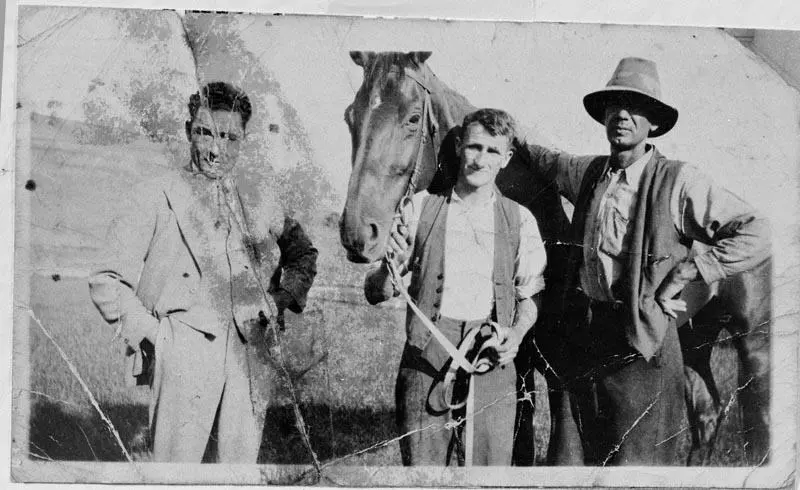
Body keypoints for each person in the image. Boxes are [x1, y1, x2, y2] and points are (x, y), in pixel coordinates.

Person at [523, 57, 771, 465]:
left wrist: (692, 269)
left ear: (653, 123)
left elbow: (756, 229)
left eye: (634, 107)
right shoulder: (587, 173)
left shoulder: (678, 179)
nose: (621, 115)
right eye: (613, 106)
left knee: (636, 466)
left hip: (643, 344)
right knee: (573, 461)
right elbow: (548, 160)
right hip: (585, 341)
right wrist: (510, 134)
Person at [88, 81, 318, 463]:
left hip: (249, 359)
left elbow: (303, 253)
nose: (216, 149)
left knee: (237, 475)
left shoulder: (261, 200)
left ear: (243, 140)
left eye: (230, 137)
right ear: (187, 132)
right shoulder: (157, 193)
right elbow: (106, 278)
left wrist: (279, 301)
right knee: (176, 476)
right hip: (183, 355)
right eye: (205, 133)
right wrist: (156, 337)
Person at [364, 108, 547, 466]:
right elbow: (376, 291)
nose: (480, 160)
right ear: (460, 146)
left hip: (490, 360)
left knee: (488, 479)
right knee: (423, 478)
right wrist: (389, 267)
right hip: (426, 357)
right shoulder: (419, 209)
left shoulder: (520, 220)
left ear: (506, 158)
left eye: (493, 151)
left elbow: (531, 292)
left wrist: (518, 332)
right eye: (474, 147)